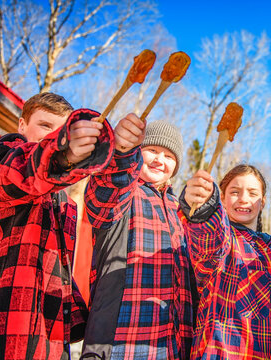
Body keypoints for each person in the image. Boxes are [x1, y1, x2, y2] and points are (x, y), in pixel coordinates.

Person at [0, 92, 115, 359]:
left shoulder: (66, 202)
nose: (52, 135)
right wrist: (64, 151)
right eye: (45, 126)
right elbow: (27, 167)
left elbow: (56, 272)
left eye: (59, 130)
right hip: (1, 329)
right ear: (22, 125)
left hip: (50, 338)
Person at [81, 118, 197, 360]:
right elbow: (105, 193)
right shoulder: (123, 193)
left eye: (169, 156)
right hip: (123, 342)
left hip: (177, 344)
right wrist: (120, 154)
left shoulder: (182, 211)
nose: (160, 160)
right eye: (152, 150)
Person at [179, 164, 271, 360]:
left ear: (262, 202)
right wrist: (204, 209)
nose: (244, 198)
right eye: (235, 192)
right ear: (223, 201)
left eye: (253, 193)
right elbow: (208, 239)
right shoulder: (225, 242)